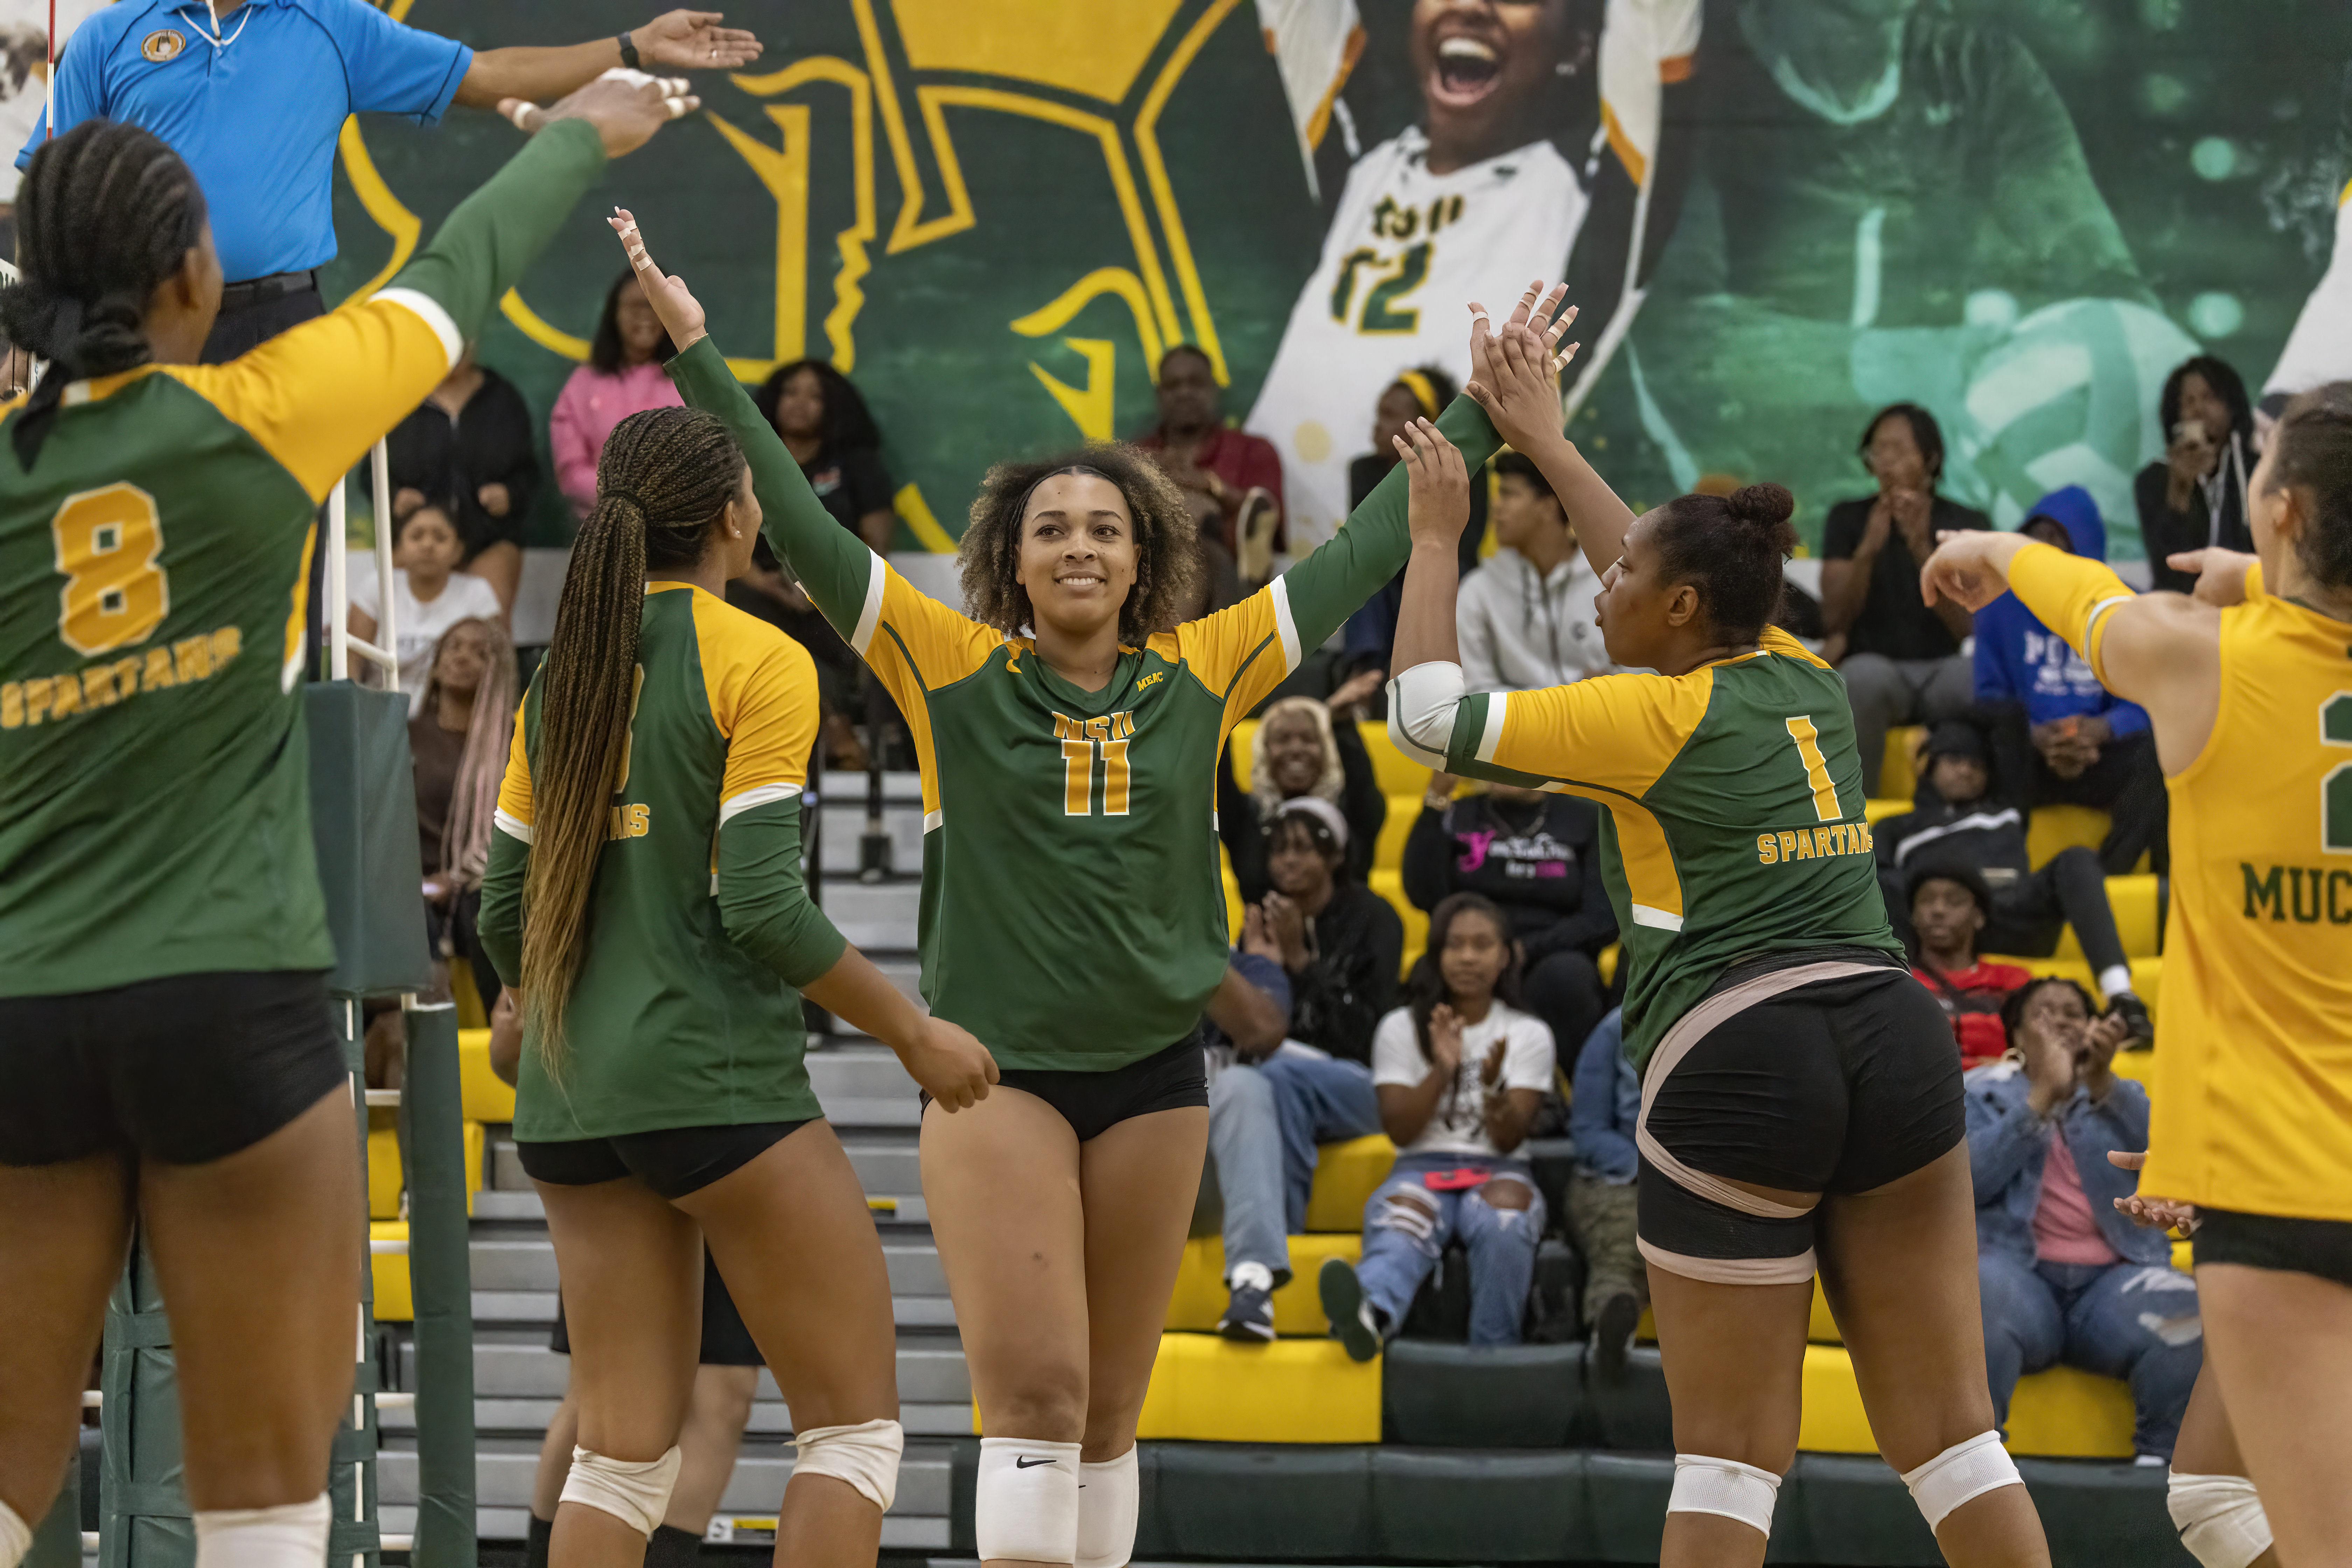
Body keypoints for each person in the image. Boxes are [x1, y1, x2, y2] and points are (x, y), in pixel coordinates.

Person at [612, 205, 1556, 1568]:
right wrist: (701, 352)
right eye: (1051, 528)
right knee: (1039, 1395)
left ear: (1142, 556)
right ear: (1014, 556)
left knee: (1113, 1414)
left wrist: (1485, 413)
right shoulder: (945, 664)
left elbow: (1357, 549)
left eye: (1104, 530)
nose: (1077, 548)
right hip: (999, 1078)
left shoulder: (1206, 666)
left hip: (1156, 1074)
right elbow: (806, 529)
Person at [0, 77, 687, 1568]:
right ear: (192, 280)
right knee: (264, 1507)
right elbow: (455, 276)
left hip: (20, 1007)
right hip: (229, 1004)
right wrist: (588, 125)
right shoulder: (262, 413)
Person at [1387, 298, 2053, 1566]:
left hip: (1740, 1052)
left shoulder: (1634, 714)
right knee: (1951, 1439)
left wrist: (1434, 538)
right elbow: (1653, 554)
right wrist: (1544, 431)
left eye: (1625, 581)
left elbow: (1426, 721)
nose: (1603, 588)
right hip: (1892, 1030)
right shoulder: (1801, 673)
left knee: (1730, 1456)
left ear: (1680, 608)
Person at [477, 396, 999, 1568]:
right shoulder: (761, 655)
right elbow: (758, 905)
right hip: (716, 1086)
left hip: (570, 1101)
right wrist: (913, 1033)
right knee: (853, 1436)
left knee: (618, 1456)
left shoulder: (563, 670)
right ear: (732, 513)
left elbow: (498, 910)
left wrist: (546, 1008)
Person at [1920, 381, 2352, 1568]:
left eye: (2259, 469)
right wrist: (2266, 576)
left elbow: (2087, 600)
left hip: (2291, 1197)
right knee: (2214, 1502)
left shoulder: (2201, 660)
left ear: (2288, 512)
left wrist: (1994, 545)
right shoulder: (2220, 634)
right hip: (2271, 1183)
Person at [20, 4, 760, 363]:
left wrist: (632, 45)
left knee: (282, 542)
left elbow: (490, 75)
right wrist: (38, 322)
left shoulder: (333, 25)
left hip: (279, 321)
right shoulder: (108, 35)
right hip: (135, 317)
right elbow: (48, 191)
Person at [1248, 0, 1698, 554]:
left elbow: (1652, 28)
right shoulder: (1366, 162)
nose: (1468, 6)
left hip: (1431, 575)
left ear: (1579, 46)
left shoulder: (1593, 208)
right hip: (1280, 579)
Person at [483, 1025, 764, 1568]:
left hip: (730, 1114)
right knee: (603, 1400)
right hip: (623, 1113)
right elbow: (507, 1046)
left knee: (724, 1393)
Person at [1965, 976, 2200, 1463]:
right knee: (1978, 1292)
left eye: (2073, 1012)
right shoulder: (1978, 1092)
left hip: (2113, 1282)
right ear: (2017, 1036)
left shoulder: (2118, 1093)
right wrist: (2041, 1099)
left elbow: (2172, 1161)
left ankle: (2157, 1474)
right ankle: (1977, 1472)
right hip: (2016, 1275)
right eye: (2043, 1013)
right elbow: (1969, 1182)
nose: (2060, 1022)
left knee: (2187, 1307)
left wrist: (2102, 1084)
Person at [1318, 892, 1554, 1358]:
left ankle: (1495, 1352)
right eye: (1455, 945)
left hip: (1498, 1168)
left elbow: (1509, 1138)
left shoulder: (1529, 1033)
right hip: (1421, 1166)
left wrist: (1490, 1090)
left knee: (1506, 1219)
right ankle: (1369, 1317)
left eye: (1482, 945)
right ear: (1437, 953)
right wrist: (1443, 1069)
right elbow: (1400, 1130)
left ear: (1505, 955)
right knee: (1405, 1218)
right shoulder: (1400, 1028)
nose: (1468, 957)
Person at [1873, 719, 2151, 1041]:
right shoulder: (1897, 827)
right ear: (1930, 767)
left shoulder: (2007, 809)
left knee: (2076, 859)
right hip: (1938, 922)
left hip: (2011, 912)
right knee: (1881, 884)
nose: (1965, 771)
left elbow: (2008, 716)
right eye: (1954, 761)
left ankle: (2121, 997)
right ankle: (1900, 1000)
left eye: (1976, 764)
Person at [1973, 486, 2167, 874]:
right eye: (2035, 537)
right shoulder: (1996, 608)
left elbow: (2148, 702)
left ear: (2085, 545)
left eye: (2056, 538)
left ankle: (2111, 870)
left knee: (2163, 759)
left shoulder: (2129, 607)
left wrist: (2102, 730)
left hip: (2101, 755)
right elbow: (1989, 698)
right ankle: (2007, 869)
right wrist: (2035, 735)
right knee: (1985, 740)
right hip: (2030, 761)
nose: (2043, 549)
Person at [1204, 913, 1376, 1345]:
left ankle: (1253, 1282)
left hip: (1221, 1180)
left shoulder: (1250, 970)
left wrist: (1193, 955)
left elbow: (1265, 1028)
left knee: (1249, 1085)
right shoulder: (1115, 972)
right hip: (1146, 1170)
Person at [1819, 403, 1990, 793]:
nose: (1886, 464)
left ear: (1930, 460)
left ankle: (1977, 812)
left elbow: (1971, 625)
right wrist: (1867, 551)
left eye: (1898, 451)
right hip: (1879, 667)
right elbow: (1835, 620)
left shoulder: (1966, 523)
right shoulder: (1848, 518)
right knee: (1859, 680)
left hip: (1944, 666)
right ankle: (1858, 814)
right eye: (1878, 453)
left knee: (1977, 679)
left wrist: (1920, 548)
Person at [1401, 778, 1616, 1070]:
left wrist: (1524, 949)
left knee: (1566, 978)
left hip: (1553, 952)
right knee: (1427, 973)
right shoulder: (1458, 815)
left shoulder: (1586, 818)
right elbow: (1423, 894)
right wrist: (1435, 802)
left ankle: (1577, 1098)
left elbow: (1602, 918)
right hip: (1473, 944)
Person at [1337, 368, 1488, 683]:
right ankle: (1366, 673)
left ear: (1424, 426)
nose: (1377, 426)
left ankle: (1440, 676)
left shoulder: (1467, 470)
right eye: (1379, 414)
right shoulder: (1364, 471)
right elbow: (1364, 539)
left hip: (1443, 572)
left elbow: (1467, 545)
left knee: (1461, 578)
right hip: (1389, 576)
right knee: (1362, 569)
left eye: (1390, 415)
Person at [383, 345, 541, 616]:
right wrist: (396, 495)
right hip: (419, 533)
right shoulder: (401, 397)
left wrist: (510, 495)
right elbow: (371, 473)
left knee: (489, 626)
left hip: (490, 536)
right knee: (391, 615)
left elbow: (530, 473)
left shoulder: (503, 399)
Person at [410, 616, 513, 1021]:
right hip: (412, 883)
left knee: (487, 901)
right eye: (454, 646)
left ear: (499, 669)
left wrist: (456, 879)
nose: (463, 657)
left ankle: (502, 1030)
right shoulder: (405, 735)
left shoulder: (516, 739)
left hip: (478, 880)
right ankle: (431, 1032)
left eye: (480, 652)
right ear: (435, 663)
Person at [1260, 799, 1405, 1067]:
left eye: (1303, 849)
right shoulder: (1264, 915)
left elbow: (1367, 1030)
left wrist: (1301, 962)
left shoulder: (1372, 917)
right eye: (1279, 850)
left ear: (1336, 855)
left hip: (1354, 1069)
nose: (1289, 860)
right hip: (1277, 1063)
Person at [1460, 449, 1612, 691]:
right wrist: (1577, 693)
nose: (1497, 507)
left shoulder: (1608, 580)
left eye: (1509, 494)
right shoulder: (1478, 590)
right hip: (1520, 728)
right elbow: (1476, 691)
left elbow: (1643, 674)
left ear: (1548, 506)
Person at [1136, 343, 1285, 574]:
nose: (1185, 393)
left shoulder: (1254, 451)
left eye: (1196, 383)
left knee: (1207, 512)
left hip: (1229, 576)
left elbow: (1272, 522)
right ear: (1160, 395)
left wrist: (1211, 486)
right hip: (1158, 573)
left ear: (1213, 390)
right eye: (1174, 385)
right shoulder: (1139, 455)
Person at [1218, 694, 1386, 898]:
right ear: (1264, 751)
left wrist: (1342, 725)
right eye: (1282, 740)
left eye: (1309, 740)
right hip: (1263, 931)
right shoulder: (1246, 818)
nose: (1296, 750)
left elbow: (1362, 787)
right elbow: (1218, 777)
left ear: (1327, 749)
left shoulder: (1351, 813)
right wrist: (1219, 718)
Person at [347, 497, 504, 713]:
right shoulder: (376, 586)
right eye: (416, 536)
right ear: (399, 547)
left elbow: (498, 669)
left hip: (450, 724)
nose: (428, 545)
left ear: (458, 550)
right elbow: (351, 664)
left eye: (440, 538)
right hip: (378, 721)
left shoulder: (477, 594)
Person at [551, 270, 682, 516]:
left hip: (677, 530)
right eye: (634, 307)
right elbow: (571, 473)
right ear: (614, 315)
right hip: (602, 525)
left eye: (654, 305)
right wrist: (626, 497)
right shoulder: (583, 384)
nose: (645, 317)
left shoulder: (689, 380)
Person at [1566, 1007, 1647, 1382]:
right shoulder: (1613, 1030)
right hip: (1621, 1175)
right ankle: (1609, 1330)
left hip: (1709, 1180)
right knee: (1626, 1232)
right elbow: (1588, 1130)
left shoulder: (1737, 1018)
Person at [2136, 357, 2256, 595]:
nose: (2198, 409)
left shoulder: (2257, 471)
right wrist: (2179, 493)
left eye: (2209, 398)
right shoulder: (2154, 480)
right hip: (2183, 609)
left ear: (2232, 408)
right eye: (2188, 401)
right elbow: (2168, 574)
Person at [1905, 866, 2032, 1069]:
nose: (1938, 910)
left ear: (1979, 917)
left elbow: (2035, 1050)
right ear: (1913, 915)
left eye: (1954, 902)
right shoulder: (1898, 979)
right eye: (1926, 900)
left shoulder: (2012, 980)